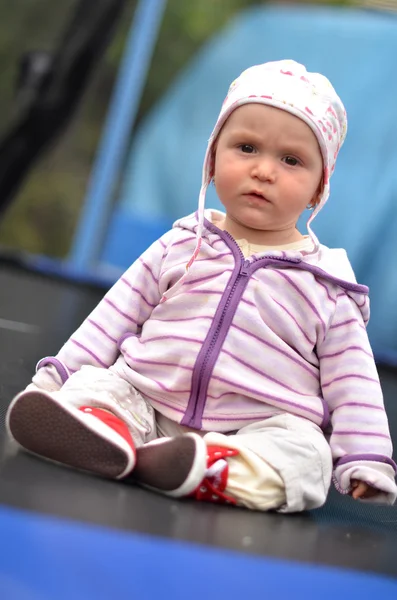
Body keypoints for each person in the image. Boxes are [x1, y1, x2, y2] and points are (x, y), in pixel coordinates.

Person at [6, 60, 397, 512]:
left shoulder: (328, 286)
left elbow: (354, 381)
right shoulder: (180, 243)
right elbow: (113, 316)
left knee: (305, 456)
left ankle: (216, 469)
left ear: (317, 189)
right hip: (148, 400)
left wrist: (365, 457)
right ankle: (103, 431)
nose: (264, 171)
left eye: (291, 160)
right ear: (213, 159)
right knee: (101, 386)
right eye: (247, 148)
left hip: (255, 430)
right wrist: (58, 377)